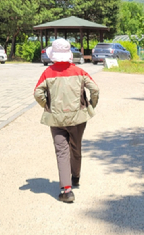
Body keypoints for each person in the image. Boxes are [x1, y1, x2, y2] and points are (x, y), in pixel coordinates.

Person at [34, 39, 99, 203]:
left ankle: (66, 190)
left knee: (61, 151)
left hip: (56, 119)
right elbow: (95, 89)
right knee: (76, 148)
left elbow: (37, 93)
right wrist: (92, 103)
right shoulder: (79, 71)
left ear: (53, 55)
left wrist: (47, 105)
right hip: (78, 118)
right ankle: (75, 177)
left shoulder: (47, 73)